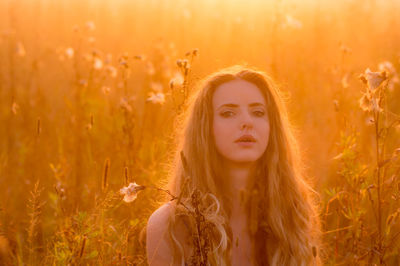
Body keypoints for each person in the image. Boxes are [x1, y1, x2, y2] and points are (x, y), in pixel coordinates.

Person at [146, 65, 322, 265]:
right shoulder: (169, 226)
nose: (247, 122)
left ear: (272, 127)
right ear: (206, 128)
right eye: (228, 113)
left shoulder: (293, 216)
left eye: (258, 112)